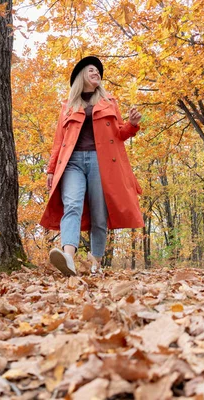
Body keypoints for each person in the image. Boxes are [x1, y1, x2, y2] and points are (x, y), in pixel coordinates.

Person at [40, 55, 144, 276]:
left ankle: (95, 262)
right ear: (81, 76)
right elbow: (59, 140)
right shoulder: (67, 106)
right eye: (91, 70)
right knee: (72, 206)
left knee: (99, 213)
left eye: (98, 71)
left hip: (101, 162)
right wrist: (51, 170)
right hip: (72, 163)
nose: (96, 72)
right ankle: (68, 257)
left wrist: (132, 125)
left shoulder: (110, 102)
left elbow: (119, 134)